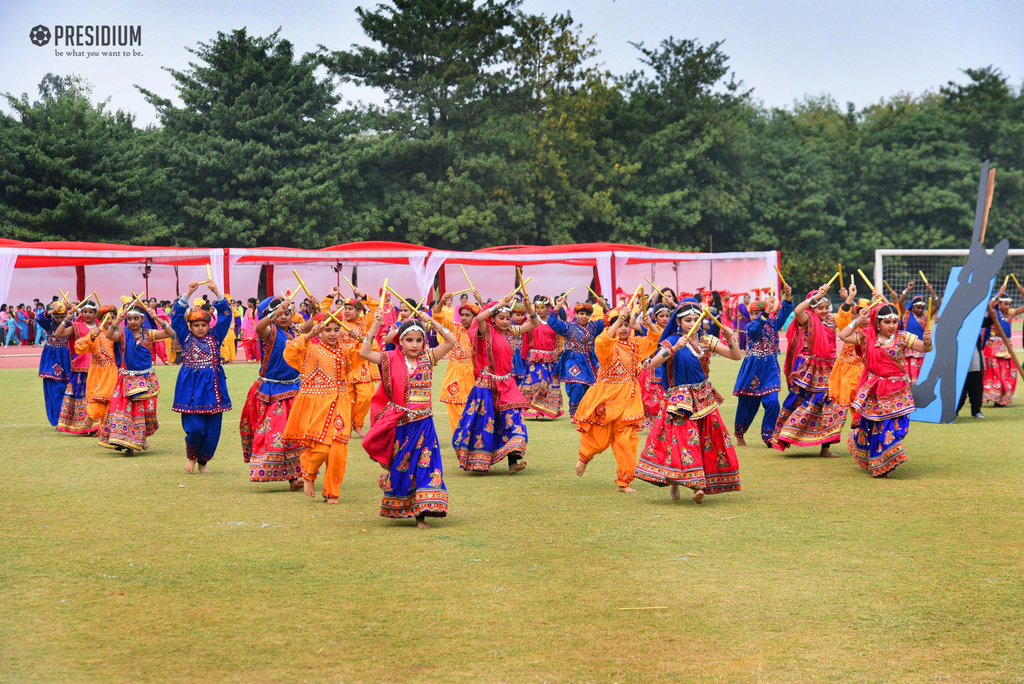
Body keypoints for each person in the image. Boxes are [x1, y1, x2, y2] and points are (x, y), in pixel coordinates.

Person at [634, 298, 743, 503]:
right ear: (679, 322)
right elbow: (652, 363)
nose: (693, 324)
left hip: (704, 398)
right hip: (679, 400)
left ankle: (697, 483)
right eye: (688, 320)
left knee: (706, 440)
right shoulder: (671, 341)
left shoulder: (706, 340)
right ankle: (692, 485)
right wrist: (674, 348)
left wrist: (730, 339)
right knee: (684, 440)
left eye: (696, 319)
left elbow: (735, 356)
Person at [361, 304, 458, 527]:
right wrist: (375, 326)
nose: (414, 344)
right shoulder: (390, 359)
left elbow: (451, 341)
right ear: (401, 342)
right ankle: (391, 485)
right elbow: (364, 353)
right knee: (402, 467)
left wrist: (431, 320)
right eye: (409, 340)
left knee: (425, 466)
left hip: (425, 425)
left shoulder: (429, 358)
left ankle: (422, 513)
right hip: (402, 426)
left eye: (418, 340)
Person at [573, 307, 660, 492]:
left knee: (627, 440)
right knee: (599, 437)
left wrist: (649, 323)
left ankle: (624, 481)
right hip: (607, 397)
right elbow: (603, 340)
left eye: (626, 325)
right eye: (619, 324)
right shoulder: (605, 344)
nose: (623, 328)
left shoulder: (635, 344)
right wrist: (617, 321)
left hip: (628, 399)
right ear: (610, 326)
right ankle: (584, 457)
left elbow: (654, 339)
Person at [839, 303, 932, 477]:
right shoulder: (867, 336)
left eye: (895, 321)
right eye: (887, 322)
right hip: (876, 390)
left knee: (899, 428)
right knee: (877, 427)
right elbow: (843, 335)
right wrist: (858, 320)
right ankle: (882, 462)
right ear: (877, 323)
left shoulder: (903, 337)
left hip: (898, 390)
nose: (892, 326)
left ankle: (885, 458)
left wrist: (928, 341)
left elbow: (926, 348)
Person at [453, 293, 541, 474]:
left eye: (508, 318)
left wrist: (529, 307)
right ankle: (479, 460)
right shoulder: (485, 331)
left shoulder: (511, 332)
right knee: (486, 422)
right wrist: (501, 303)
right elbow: (479, 317)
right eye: (501, 318)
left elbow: (534, 324)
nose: (506, 321)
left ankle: (513, 462)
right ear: (493, 318)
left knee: (513, 417)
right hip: (487, 384)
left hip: (507, 383)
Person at [281, 311, 362, 503]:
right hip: (317, 406)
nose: (333, 334)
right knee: (321, 449)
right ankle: (308, 473)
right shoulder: (310, 350)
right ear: (319, 332)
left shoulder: (344, 352)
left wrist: (359, 339)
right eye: (327, 330)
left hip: (341, 403)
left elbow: (365, 351)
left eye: (336, 330)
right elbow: (290, 352)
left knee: (338, 451)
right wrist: (308, 334)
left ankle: (331, 492)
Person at [239, 294, 306, 488]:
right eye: (279, 314)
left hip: (295, 389)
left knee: (298, 433)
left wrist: (317, 309)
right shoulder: (269, 332)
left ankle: (297, 476)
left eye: (287, 313)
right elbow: (259, 327)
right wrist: (274, 313)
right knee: (277, 432)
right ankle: (291, 476)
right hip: (271, 391)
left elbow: (309, 327)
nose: (284, 317)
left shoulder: (294, 330)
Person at [772, 284, 845, 457]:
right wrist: (817, 296)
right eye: (821, 308)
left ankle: (825, 448)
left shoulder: (831, 320)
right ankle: (787, 434)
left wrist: (847, 299)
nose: (825, 311)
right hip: (809, 368)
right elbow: (798, 310)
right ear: (813, 307)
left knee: (830, 404)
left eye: (827, 308)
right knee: (799, 400)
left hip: (829, 367)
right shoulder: (807, 319)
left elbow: (848, 315)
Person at [171, 282, 233, 473]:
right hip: (191, 389)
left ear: (209, 325)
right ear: (190, 326)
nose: (199, 328)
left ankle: (203, 463)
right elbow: (175, 317)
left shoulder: (215, 337)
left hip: (213, 388)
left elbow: (226, 316)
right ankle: (191, 457)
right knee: (195, 428)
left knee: (212, 431)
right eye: (196, 325)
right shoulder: (185, 337)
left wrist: (217, 293)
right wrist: (189, 292)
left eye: (203, 325)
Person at [100, 299, 175, 455]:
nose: (132, 321)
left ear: (142, 320)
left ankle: (142, 437)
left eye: (136, 318)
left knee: (146, 412)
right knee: (126, 412)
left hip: (146, 379)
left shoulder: (149, 334)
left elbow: (170, 333)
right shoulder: (122, 334)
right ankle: (128, 444)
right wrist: (118, 319)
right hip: (127, 380)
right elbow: (108, 335)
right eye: (130, 318)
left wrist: (157, 318)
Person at [733, 286, 794, 447]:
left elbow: (786, 312)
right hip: (753, 369)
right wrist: (766, 311)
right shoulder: (750, 327)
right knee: (747, 404)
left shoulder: (773, 324)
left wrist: (787, 295)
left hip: (770, 368)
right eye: (752, 314)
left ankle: (769, 436)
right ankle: (740, 435)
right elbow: (756, 329)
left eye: (757, 313)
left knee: (773, 402)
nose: (754, 316)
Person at [320, 287, 381, 438]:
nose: (346, 311)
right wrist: (330, 296)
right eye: (344, 308)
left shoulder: (365, 321)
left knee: (366, 396)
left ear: (358, 311)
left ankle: (358, 423)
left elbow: (377, 309)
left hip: (361, 364)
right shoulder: (338, 320)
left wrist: (363, 295)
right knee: (346, 398)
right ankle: (346, 424)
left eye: (350, 308)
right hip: (342, 364)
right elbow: (322, 312)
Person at [431, 291, 482, 433]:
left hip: (470, 375)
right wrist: (442, 300)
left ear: (474, 317)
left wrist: (481, 301)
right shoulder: (454, 328)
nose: (464, 318)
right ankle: (459, 440)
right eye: (462, 315)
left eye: (468, 315)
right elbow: (437, 316)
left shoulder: (479, 332)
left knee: (470, 408)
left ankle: (468, 439)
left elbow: (489, 320)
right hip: (453, 374)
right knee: (453, 407)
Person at [546, 297, 607, 417]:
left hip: (590, 361)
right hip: (572, 361)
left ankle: (587, 412)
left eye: (587, 314)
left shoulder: (594, 327)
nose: (584, 316)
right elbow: (552, 321)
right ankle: (575, 413)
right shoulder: (568, 327)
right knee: (577, 385)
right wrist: (558, 306)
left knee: (590, 387)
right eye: (581, 313)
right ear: (576, 314)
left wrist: (604, 307)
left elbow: (609, 320)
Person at [828, 284, 873, 434]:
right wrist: (850, 298)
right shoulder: (849, 325)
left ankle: (863, 435)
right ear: (856, 312)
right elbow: (842, 314)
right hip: (846, 369)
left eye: (869, 313)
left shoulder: (875, 330)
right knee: (846, 402)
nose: (865, 317)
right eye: (861, 313)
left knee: (861, 402)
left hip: (866, 370)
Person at [54, 298, 100, 434]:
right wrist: (67, 318)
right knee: (81, 397)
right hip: (81, 367)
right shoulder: (76, 326)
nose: (87, 314)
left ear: (95, 313)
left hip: (98, 367)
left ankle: (97, 426)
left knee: (97, 396)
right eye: (84, 311)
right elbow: (59, 334)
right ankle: (83, 426)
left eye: (90, 312)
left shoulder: (101, 326)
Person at [520, 295, 565, 420]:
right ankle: (536, 409)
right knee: (538, 382)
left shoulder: (553, 322)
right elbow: (523, 332)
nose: (539, 309)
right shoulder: (533, 321)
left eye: (543, 307)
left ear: (548, 308)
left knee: (548, 385)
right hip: (536, 357)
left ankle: (544, 410)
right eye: (537, 307)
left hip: (551, 358)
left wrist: (559, 305)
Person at [76, 305, 118, 434]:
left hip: (113, 372)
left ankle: (108, 432)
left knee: (111, 403)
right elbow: (79, 345)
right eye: (106, 318)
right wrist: (92, 337)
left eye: (112, 318)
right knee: (97, 399)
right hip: (97, 373)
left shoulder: (120, 334)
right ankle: (93, 418)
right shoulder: (95, 334)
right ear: (101, 320)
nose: (109, 321)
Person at [982, 290, 1022, 406]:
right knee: (995, 373)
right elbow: (988, 305)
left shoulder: (1009, 313)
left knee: (1007, 373)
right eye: (1005, 304)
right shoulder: (993, 312)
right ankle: (994, 397)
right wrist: (997, 295)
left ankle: (1002, 398)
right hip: (993, 348)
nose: (1008, 306)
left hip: (1007, 348)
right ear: (999, 303)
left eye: (1009, 304)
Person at [37, 301, 72, 427]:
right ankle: (58, 420)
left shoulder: (71, 323)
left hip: (67, 357)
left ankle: (68, 418)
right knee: (54, 389)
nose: (59, 320)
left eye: (62, 317)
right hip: (52, 357)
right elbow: (39, 318)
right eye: (56, 317)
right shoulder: (49, 323)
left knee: (68, 388)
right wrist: (51, 311)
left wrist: (75, 310)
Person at [240, 298, 260, 363]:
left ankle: (258, 358)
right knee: (248, 345)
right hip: (247, 329)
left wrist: (257, 330)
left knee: (255, 346)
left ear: (252, 303)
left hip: (254, 329)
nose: (248, 304)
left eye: (249, 302)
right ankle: (249, 358)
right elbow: (245, 320)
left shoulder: (257, 311)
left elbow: (257, 320)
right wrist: (243, 329)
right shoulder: (247, 310)